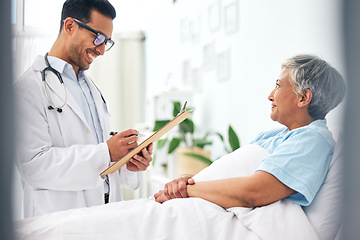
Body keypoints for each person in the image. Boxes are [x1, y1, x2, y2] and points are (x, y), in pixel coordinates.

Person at [14, 0, 153, 218]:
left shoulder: (91, 88)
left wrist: (127, 160)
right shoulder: (28, 89)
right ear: (69, 26)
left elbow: (96, 151)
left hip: (104, 215)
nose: (101, 50)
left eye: (107, 41)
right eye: (97, 37)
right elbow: (34, 165)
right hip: (60, 220)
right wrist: (106, 152)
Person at [154, 54, 346, 209]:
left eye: (278, 85)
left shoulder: (313, 139)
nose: (270, 95)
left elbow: (254, 193)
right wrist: (191, 181)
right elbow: (234, 174)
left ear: (303, 97)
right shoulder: (275, 134)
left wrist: (188, 191)